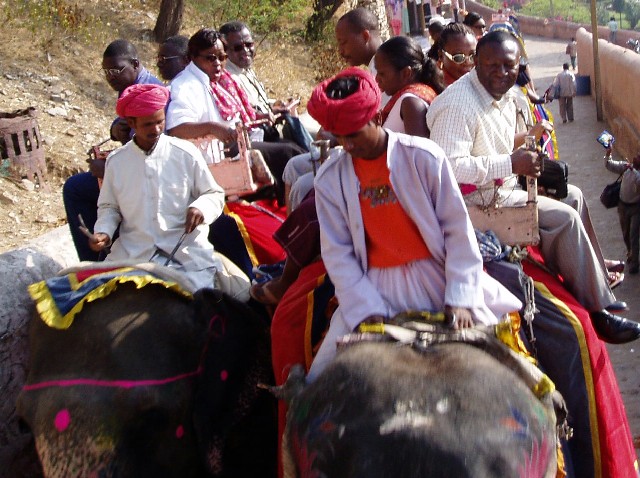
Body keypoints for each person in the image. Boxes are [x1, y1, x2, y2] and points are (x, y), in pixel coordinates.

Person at [305, 67, 522, 380]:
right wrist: (367, 311)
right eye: (338, 136)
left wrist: (460, 297)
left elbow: (457, 231)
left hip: (439, 280)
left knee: (517, 369)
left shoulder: (425, 157)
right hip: (374, 289)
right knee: (318, 382)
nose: (346, 145)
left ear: (377, 118)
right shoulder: (329, 179)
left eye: (353, 133)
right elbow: (338, 255)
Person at [426, 30, 640, 344]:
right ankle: (599, 312)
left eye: (508, 66)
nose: (501, 73)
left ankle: (599, 282)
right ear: (476, 63)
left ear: (517, 66)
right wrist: (512, 164)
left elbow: (494, 146)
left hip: (502, 188)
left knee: (574, 196)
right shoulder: (458, 104)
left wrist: (528, 147)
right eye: (492, 65)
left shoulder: (500, 95)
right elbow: (448, 166)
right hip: (473, 203)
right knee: (564, 218)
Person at [87, 84, 241, 295]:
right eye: (149, 124)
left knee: (231, 299)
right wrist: (103, 232)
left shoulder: (185, 152)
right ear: (131, 122)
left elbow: (213, 194)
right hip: (133, 254)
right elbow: (109, 207)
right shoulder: (116, 161)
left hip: (187, 256)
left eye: (160, 122)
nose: (157, 129)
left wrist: (200, 208)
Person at [167, 28, 305, 205]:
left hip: (234, 144)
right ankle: (293, 209)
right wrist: (213, 128)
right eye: (210, 58)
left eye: (222, 57)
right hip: (215, 155)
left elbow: (235, 114)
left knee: (290, 147)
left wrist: (261, 115)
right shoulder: (186, 86)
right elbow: (177, 129)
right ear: (192, 58)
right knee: (288, 154)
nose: (218, 63)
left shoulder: (216, 80)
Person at [63, 39, 163, 262]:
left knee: (75, 189)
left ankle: (92, 262)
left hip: (152, 180)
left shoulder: (148, 91)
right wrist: (116, 130)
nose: (110, 76)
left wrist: (108, 169)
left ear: (135, 64)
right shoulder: (128, 86)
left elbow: (151, 149)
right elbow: (121, 128)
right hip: (137, 169)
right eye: (106, 71)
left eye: (116, 70)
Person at [219, 21, 313, 151]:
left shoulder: (246, 69)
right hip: (257, 135)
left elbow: (259, 101)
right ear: (226, 50)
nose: (245, 51)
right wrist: (271, 113)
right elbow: (246, 113)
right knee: (295, 150)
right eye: (238, 47)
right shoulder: (228, 78)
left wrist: (278, 106)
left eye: (249, 45)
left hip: (271, 127)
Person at [374, 36, 443, 136]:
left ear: (406, 73)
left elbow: (417, 151)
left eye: (382, 74)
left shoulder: (411, 103)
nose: (377, 79)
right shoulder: (419, 94)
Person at [335, 7, 389, 105]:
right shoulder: (377, 69)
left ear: (365, 36)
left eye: (343, 42)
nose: (340, 52)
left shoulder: (389, 72)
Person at [605, 147, 640, 274]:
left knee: (633, 235)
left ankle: (635, 263)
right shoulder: (626, 167)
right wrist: (608, 154)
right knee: (626, 233)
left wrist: (634, 172)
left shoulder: (636, 173)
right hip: (623, 206)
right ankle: (630, 252)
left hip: (635, 208)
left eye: (639, 157)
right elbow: (609, 165)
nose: (635, 158)